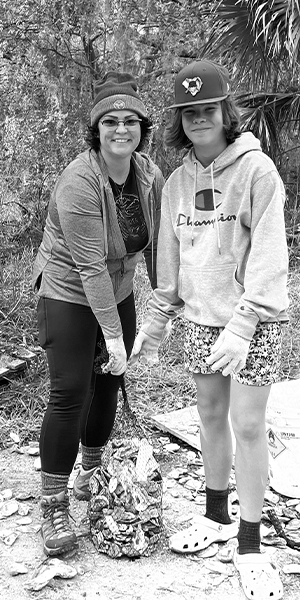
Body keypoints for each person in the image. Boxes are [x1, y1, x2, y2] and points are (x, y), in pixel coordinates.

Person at [130, 59, 288, 600]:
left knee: (248, 425)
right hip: (200, 322)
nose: (199, 119)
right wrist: (154, 322)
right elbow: (170, 264)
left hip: (251, 325)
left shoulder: (256, 171)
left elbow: (270, 256)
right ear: (180, 119)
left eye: (208, 109)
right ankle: (216, 516)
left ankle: (250, 542)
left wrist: (243, 325)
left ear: (226, 112)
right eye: (189, 111)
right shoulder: (176, 182)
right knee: (210, 418)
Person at [32, 71, 164, 556]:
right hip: (68, 291)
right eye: (111, 121)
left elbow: (157, 245)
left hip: (120, 288)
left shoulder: (148, 174)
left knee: (110, 382)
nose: (121, 129)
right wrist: (113, 337)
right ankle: (53, 505)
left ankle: (89, 476)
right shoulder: (79, 181)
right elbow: (89, 267)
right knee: (72, 390)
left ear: (142, 128)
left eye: (131, 120)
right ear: (97, 129)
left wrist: (164, 305)